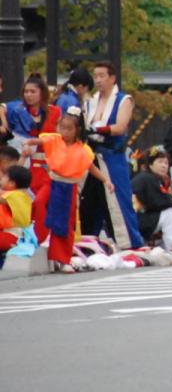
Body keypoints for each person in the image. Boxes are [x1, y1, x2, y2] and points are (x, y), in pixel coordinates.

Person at [24, 110, 111, 273]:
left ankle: (62, 258)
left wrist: (106, 180)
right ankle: (39, 237)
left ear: (77, 130)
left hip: (69, 187)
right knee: (39, 202)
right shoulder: (54, 139)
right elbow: (38, 140)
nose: (64, 132)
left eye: (68, 129)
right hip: (51, 181)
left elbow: (91, 167)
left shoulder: (83, 149)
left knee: (65, 224)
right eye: (62, 128)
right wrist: (28, 142)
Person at [84, 61, 145, 249]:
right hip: (91, 155)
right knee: (89, 200)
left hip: (112, 155)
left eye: (102, 76)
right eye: (95, 76)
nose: (98, 80)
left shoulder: (124, 99)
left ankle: (130, 242)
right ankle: (88, 241)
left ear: (112, 78)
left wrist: (95, 128)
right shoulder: (91, 101)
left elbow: (119, 127)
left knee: (119, 198)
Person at [6, 74, 61, 243]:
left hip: (48, 164)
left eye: (33, 91)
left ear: (42, 93)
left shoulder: (54, 112)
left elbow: (59, 137)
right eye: (26, 92)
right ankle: (32, 238)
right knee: (28, 202)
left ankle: (44, 237)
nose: (29, 95)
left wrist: (39, 141)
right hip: (27, 164)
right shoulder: (18, 111)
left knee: (41, 202)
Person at [131, 149, 172, 252]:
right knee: (170, 211)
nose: (164, 166)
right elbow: (159, 203)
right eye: (160, 162)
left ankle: (170, 245)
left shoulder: (150, 178)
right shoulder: (147, 178)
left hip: (138, 219)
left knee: (171, 209)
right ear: (150, 164)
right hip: (136, 221)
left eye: (166, 163)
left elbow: (161, 201)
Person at [0, 165, 33, 269]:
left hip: (14, 237)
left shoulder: (14, 195)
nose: (1, 178)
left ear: (11, 183)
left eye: (4, 176)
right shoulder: (23, 194)